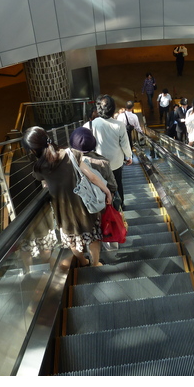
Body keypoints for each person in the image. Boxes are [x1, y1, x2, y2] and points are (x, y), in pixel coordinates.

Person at [22, 126, 112, 267]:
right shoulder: (71, 154)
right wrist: (106, 191)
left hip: (64, 212)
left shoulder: (39, 168)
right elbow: (92, 177)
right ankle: (95, 264)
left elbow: (45, 186)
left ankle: (83, 261)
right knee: (93, 237)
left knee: (73, 240)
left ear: (33, 150)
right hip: (84, 206)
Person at [86, 95, 132, 209]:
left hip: (98, 163)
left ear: (98, 109)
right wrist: (129, 156)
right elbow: (125, 144)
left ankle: (105, 207)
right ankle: (120, 205)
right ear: (113, 109)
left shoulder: (89, 125)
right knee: (117, 183)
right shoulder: (119, 125)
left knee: (101, 185)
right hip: (116, 162)